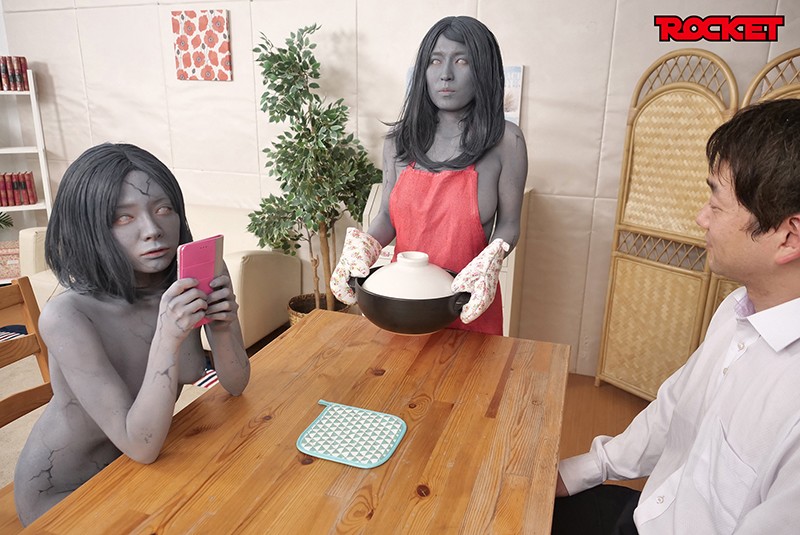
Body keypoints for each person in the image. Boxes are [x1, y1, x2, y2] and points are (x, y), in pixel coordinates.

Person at [552, 98, 800, 534]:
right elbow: (674, 412)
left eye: (716, 205)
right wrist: (580, 471)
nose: (700, 217)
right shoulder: (737, 310)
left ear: (788, 237)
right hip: (650, 512)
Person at [13, 143, 250, 526]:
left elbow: (236, 384)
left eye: (163, 209)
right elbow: (141, 446)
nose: (153, 230)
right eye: (123, 218)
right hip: (67, 492)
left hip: (144, 467)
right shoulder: (68, 316)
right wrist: (167, 337)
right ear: (88, 229)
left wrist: (222, 324)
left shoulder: (191, 276)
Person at [330, 15, 528, 335]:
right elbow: (387, 216)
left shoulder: (507, 142)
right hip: (404, 305)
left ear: (484, 69)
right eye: (435, 61)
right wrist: (362, 249)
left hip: (468, 304)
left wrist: (490, 261)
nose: (445, 74)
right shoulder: (399, 141)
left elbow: (509, 223)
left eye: (461, 60)